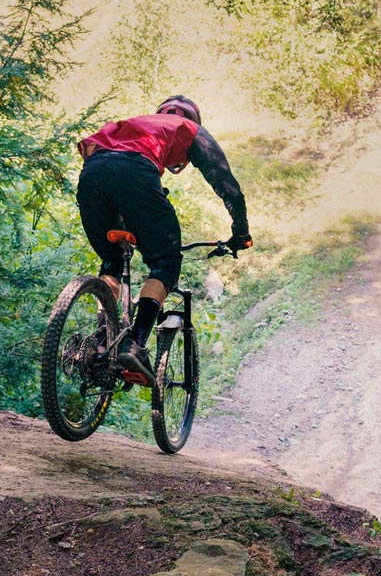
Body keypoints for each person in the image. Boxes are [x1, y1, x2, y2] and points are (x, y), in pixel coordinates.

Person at [76, 95, 251, 383]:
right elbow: (226, 183)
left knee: (112, 261)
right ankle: (135, 344)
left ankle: (101, 342)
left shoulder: (137, 125)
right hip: (135, 172)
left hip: (92, 172)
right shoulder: (190, 129)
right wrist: (240, 232)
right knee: (165, 261)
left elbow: (108, 168)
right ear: (192, 118)